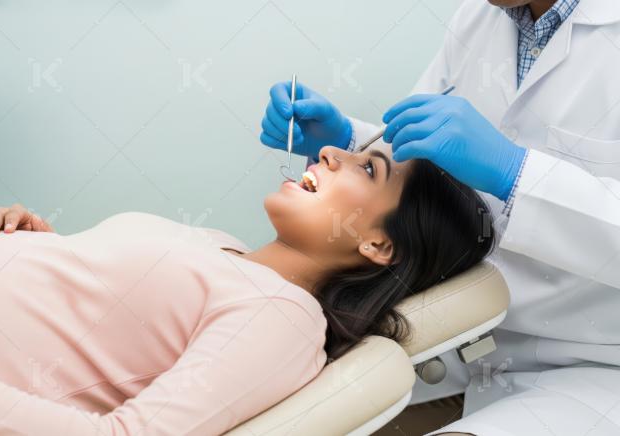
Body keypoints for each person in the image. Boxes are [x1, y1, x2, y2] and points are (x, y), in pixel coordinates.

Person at [0, 142, 492, 435]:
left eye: (367, 170)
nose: (330, 153)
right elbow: (102, 334)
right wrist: (39, 246)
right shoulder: (220, 247)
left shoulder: (283, 320)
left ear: (379, 245)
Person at [260, 0, 620, 434]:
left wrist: (515, 173)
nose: (326, 155)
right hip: (456, 340)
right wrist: (351, 140)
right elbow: (415, 168)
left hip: (593, 366)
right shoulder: (479, 16)